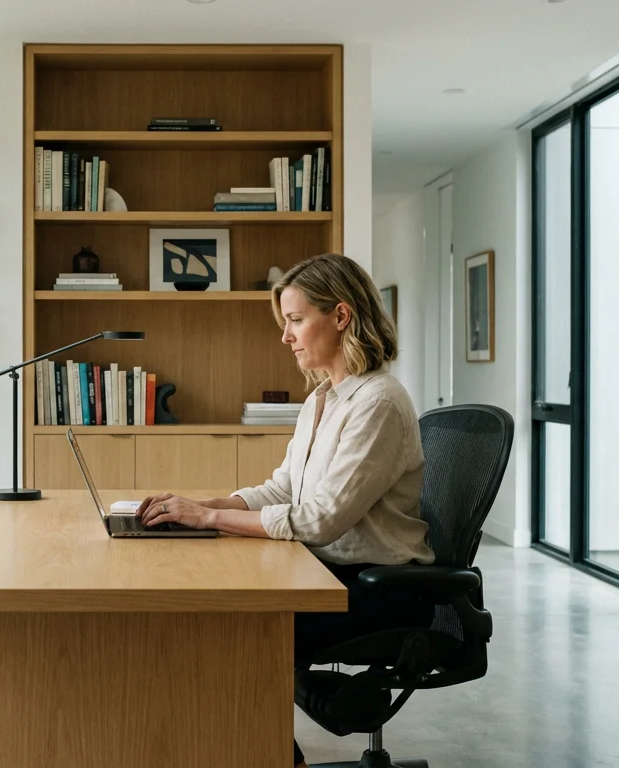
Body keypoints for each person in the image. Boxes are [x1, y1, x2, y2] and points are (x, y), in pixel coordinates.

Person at [135, 252, 435, 768]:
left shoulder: (378, 403)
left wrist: (210, 521)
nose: (286, 336)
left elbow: (319, 519)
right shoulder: (323, 398)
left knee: (232, 636)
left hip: (375, 590)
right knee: (217, 625)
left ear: (340, 316)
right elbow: (284, 487)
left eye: (296, 320)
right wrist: (207, 505)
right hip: (330, 574)